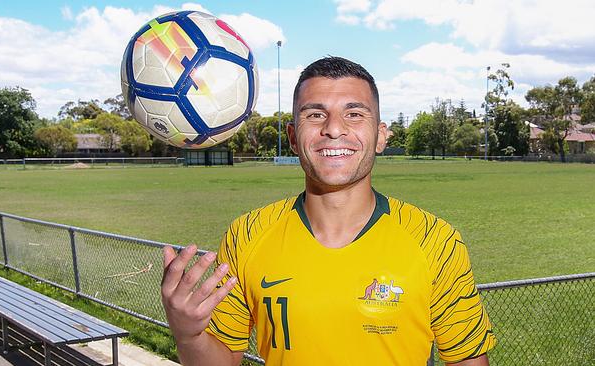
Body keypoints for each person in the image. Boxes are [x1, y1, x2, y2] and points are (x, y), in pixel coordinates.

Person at [161, 56, 496, 365]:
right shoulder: (247, 235)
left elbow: (468, 360)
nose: (334, 128)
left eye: (354, 113)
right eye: (315, 114)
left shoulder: (435, 241)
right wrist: (188, 335)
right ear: (293, 137)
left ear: (380, 136)